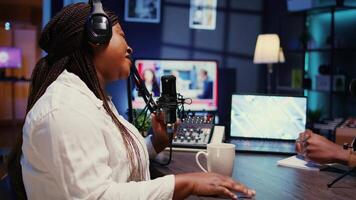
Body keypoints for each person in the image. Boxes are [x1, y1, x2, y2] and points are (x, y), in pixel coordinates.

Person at [6, 2, 255, 200]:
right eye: (121, 35)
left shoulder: (90, 100)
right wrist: (185, 182)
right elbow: (97, 196)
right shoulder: (64, 112)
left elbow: (113, 163)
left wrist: (155, 143)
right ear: (96, 37)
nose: (129, 47)